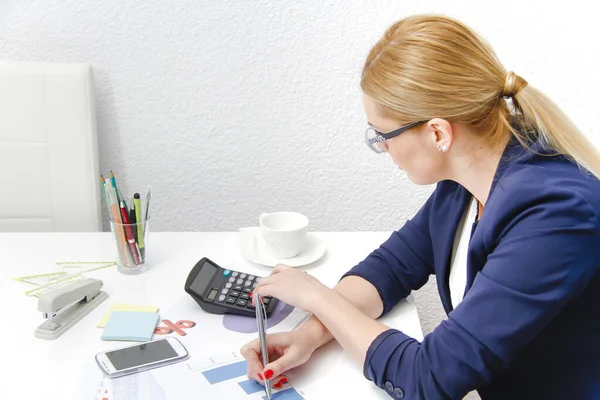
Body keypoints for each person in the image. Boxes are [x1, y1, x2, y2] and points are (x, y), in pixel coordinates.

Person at [240, 14, 600, 400]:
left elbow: (428, 380)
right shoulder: (467, 183)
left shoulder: (557, 214)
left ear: (438, 132)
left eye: (383, 135)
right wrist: (309, 334)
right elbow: (393, 267)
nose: (383, 148)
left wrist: (318, 297)